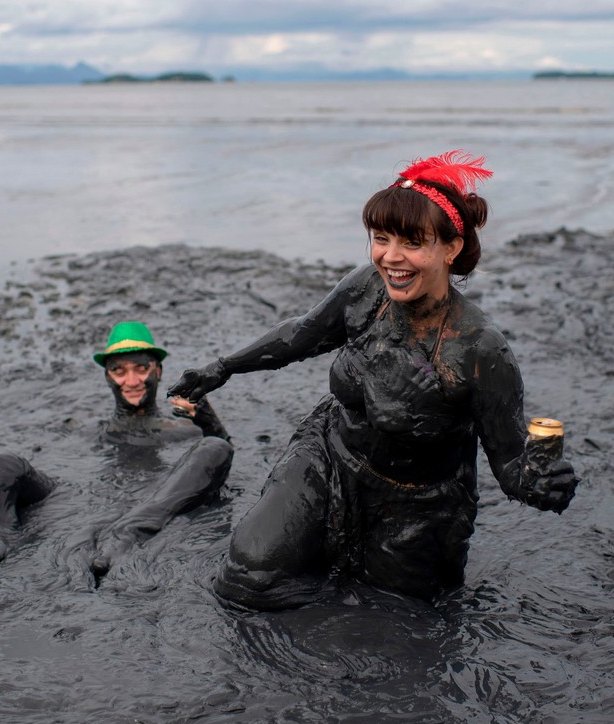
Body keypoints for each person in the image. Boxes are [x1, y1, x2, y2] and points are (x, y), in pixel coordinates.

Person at [168, 151, 579, 611]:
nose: (391, 258)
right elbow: (301, 334)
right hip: (329, 455)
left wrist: (541, 485)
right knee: (248, 576)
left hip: (418, 503)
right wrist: (224, 367)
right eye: (381, 239)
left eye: (412, 243)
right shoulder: (365, 288)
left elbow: (510, 466)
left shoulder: (481, 350)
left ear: (451, 248)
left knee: (394, 614)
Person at [0, 320, 233, 579]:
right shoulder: (83, 429)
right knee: (2, 463)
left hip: (156, 502)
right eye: (119, 371)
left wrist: (207, 417)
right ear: (107, 376)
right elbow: (22, 437)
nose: (131, 380)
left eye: (141, 369)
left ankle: (130, 533)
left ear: (158, 371)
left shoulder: (184, 431)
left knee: (216, 447)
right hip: (73, 500)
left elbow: (220, 464)